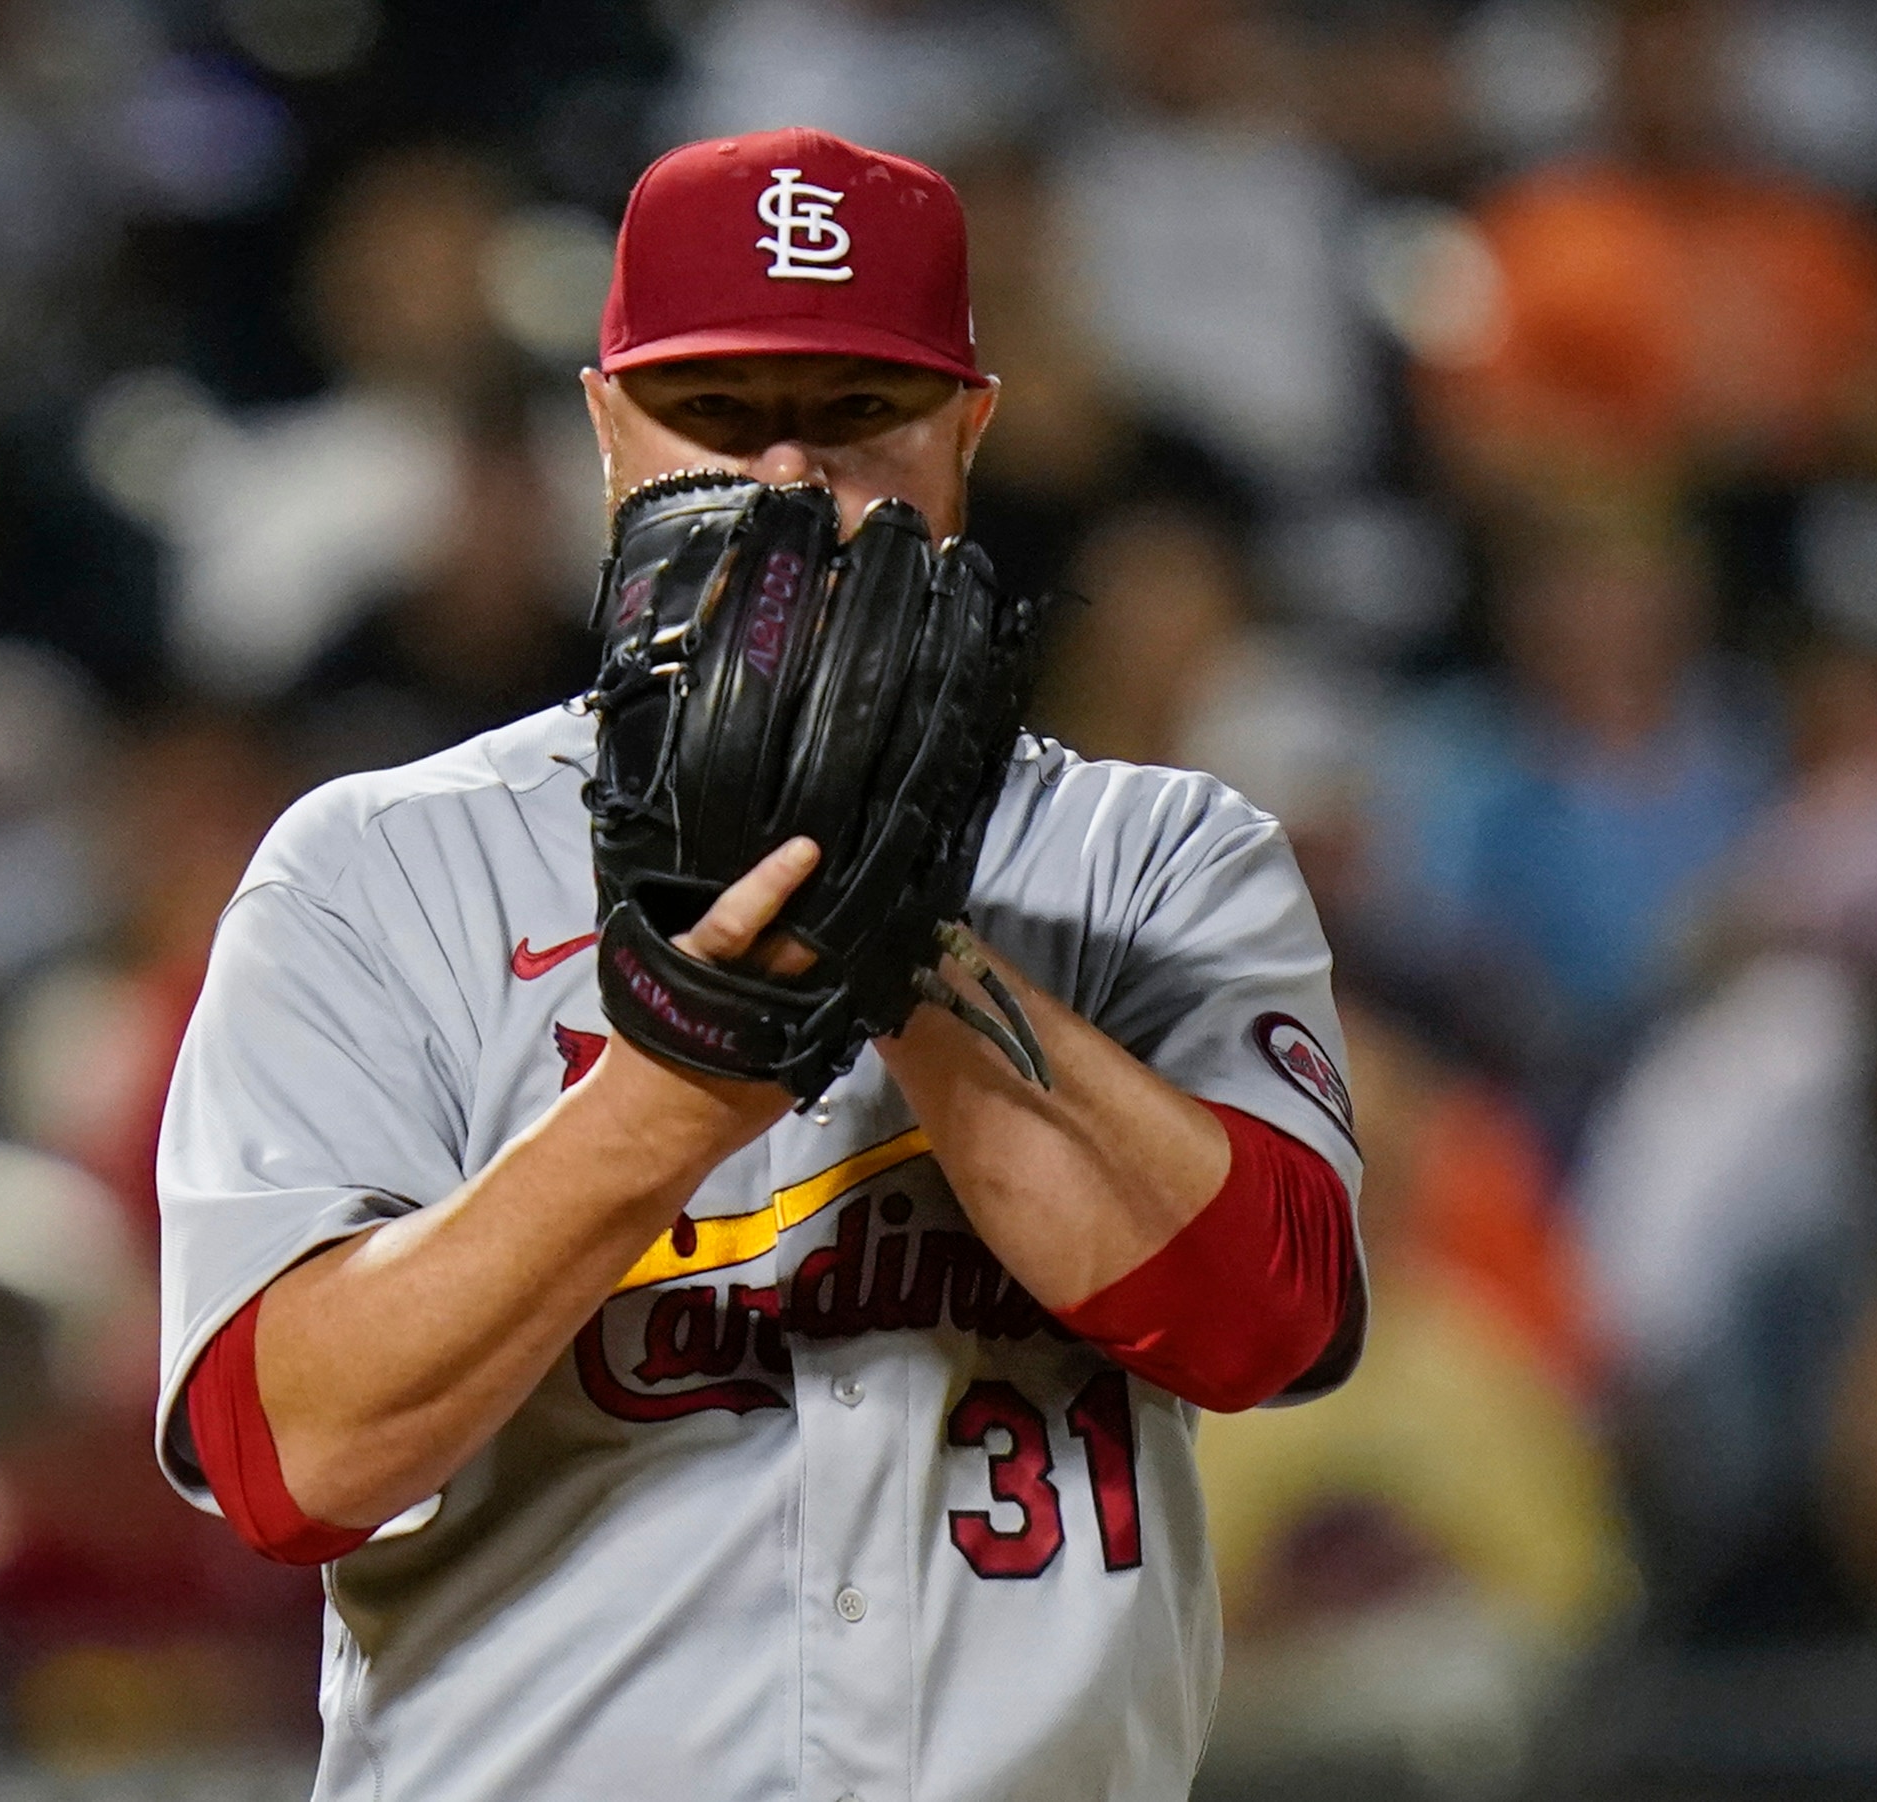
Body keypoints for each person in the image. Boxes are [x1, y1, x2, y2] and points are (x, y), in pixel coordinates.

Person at [157, 128, 1366, 1800]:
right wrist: (661, 1100)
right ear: (603, 431)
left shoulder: (1151, 860)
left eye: (861, 412)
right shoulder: (379, 873)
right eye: (715, 416)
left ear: (971, 430)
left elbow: (1269, 1323)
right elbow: (283, 1457)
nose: (790, 481)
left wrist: (904, 950)